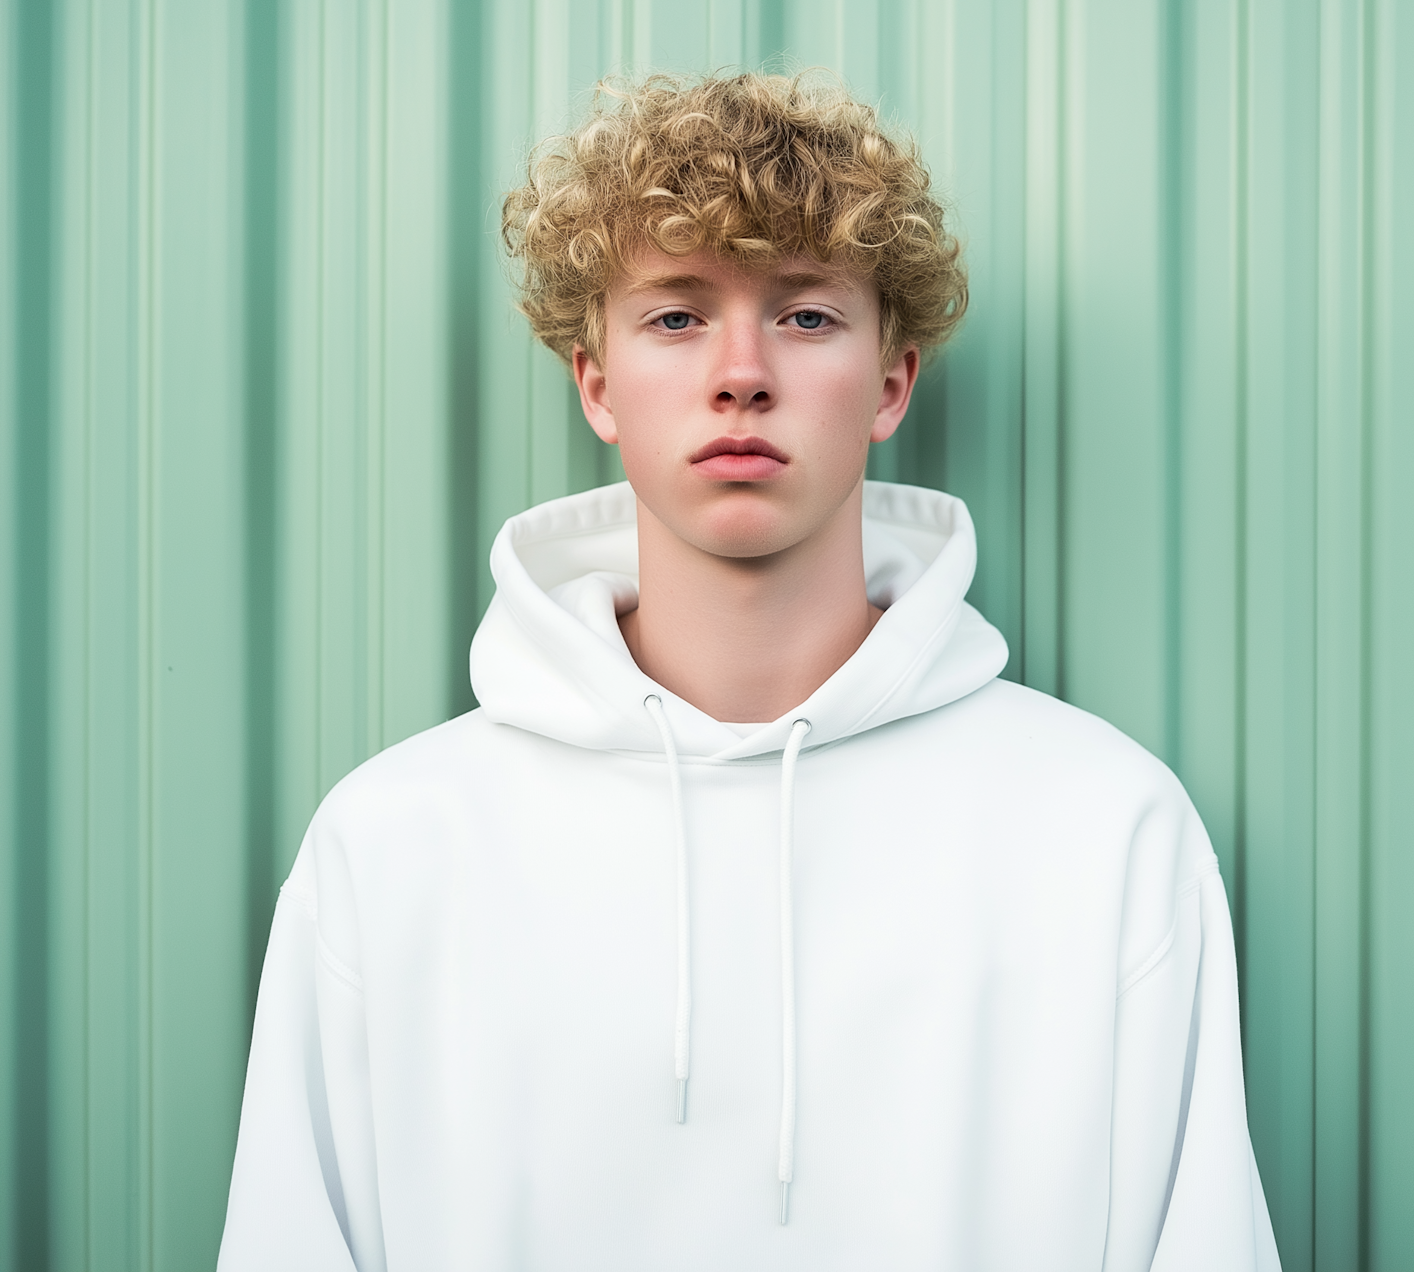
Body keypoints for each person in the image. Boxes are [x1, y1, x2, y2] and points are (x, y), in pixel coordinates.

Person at [218, 72, 1280, 1270]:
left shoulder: (1105, 829)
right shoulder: (395, 844)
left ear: (891, 384)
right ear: (597, 383)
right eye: (676, 316)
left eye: (807, 316)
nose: (741, 372)